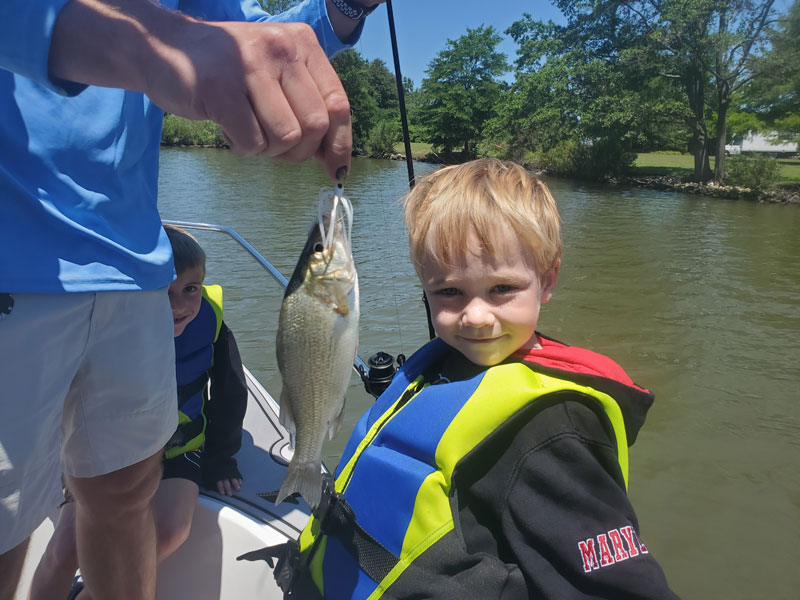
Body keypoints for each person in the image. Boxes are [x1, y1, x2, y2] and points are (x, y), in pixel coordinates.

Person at [0, 1, 385, 599]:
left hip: (134, 267)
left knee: (126, 492)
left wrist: (345, 7)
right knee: (4, 519)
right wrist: (161, 44)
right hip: (14, 258)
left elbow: (259, 43)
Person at [275, 159, 678, 598]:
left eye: (502, 289)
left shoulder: (551, 431)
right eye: (449, 292)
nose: (476, 317)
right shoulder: (444, 365)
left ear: (547, 280)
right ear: (424, 288)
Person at [28, 224, 249, 599]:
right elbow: (64, 393)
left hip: (180, 447)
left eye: (190, 290)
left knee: (173, 530)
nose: (179, 305)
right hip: (108, 447)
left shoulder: (211, 323)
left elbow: (230, 393)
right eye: (164, 292)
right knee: (66, 549)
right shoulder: (108, 321)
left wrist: (222, 458)